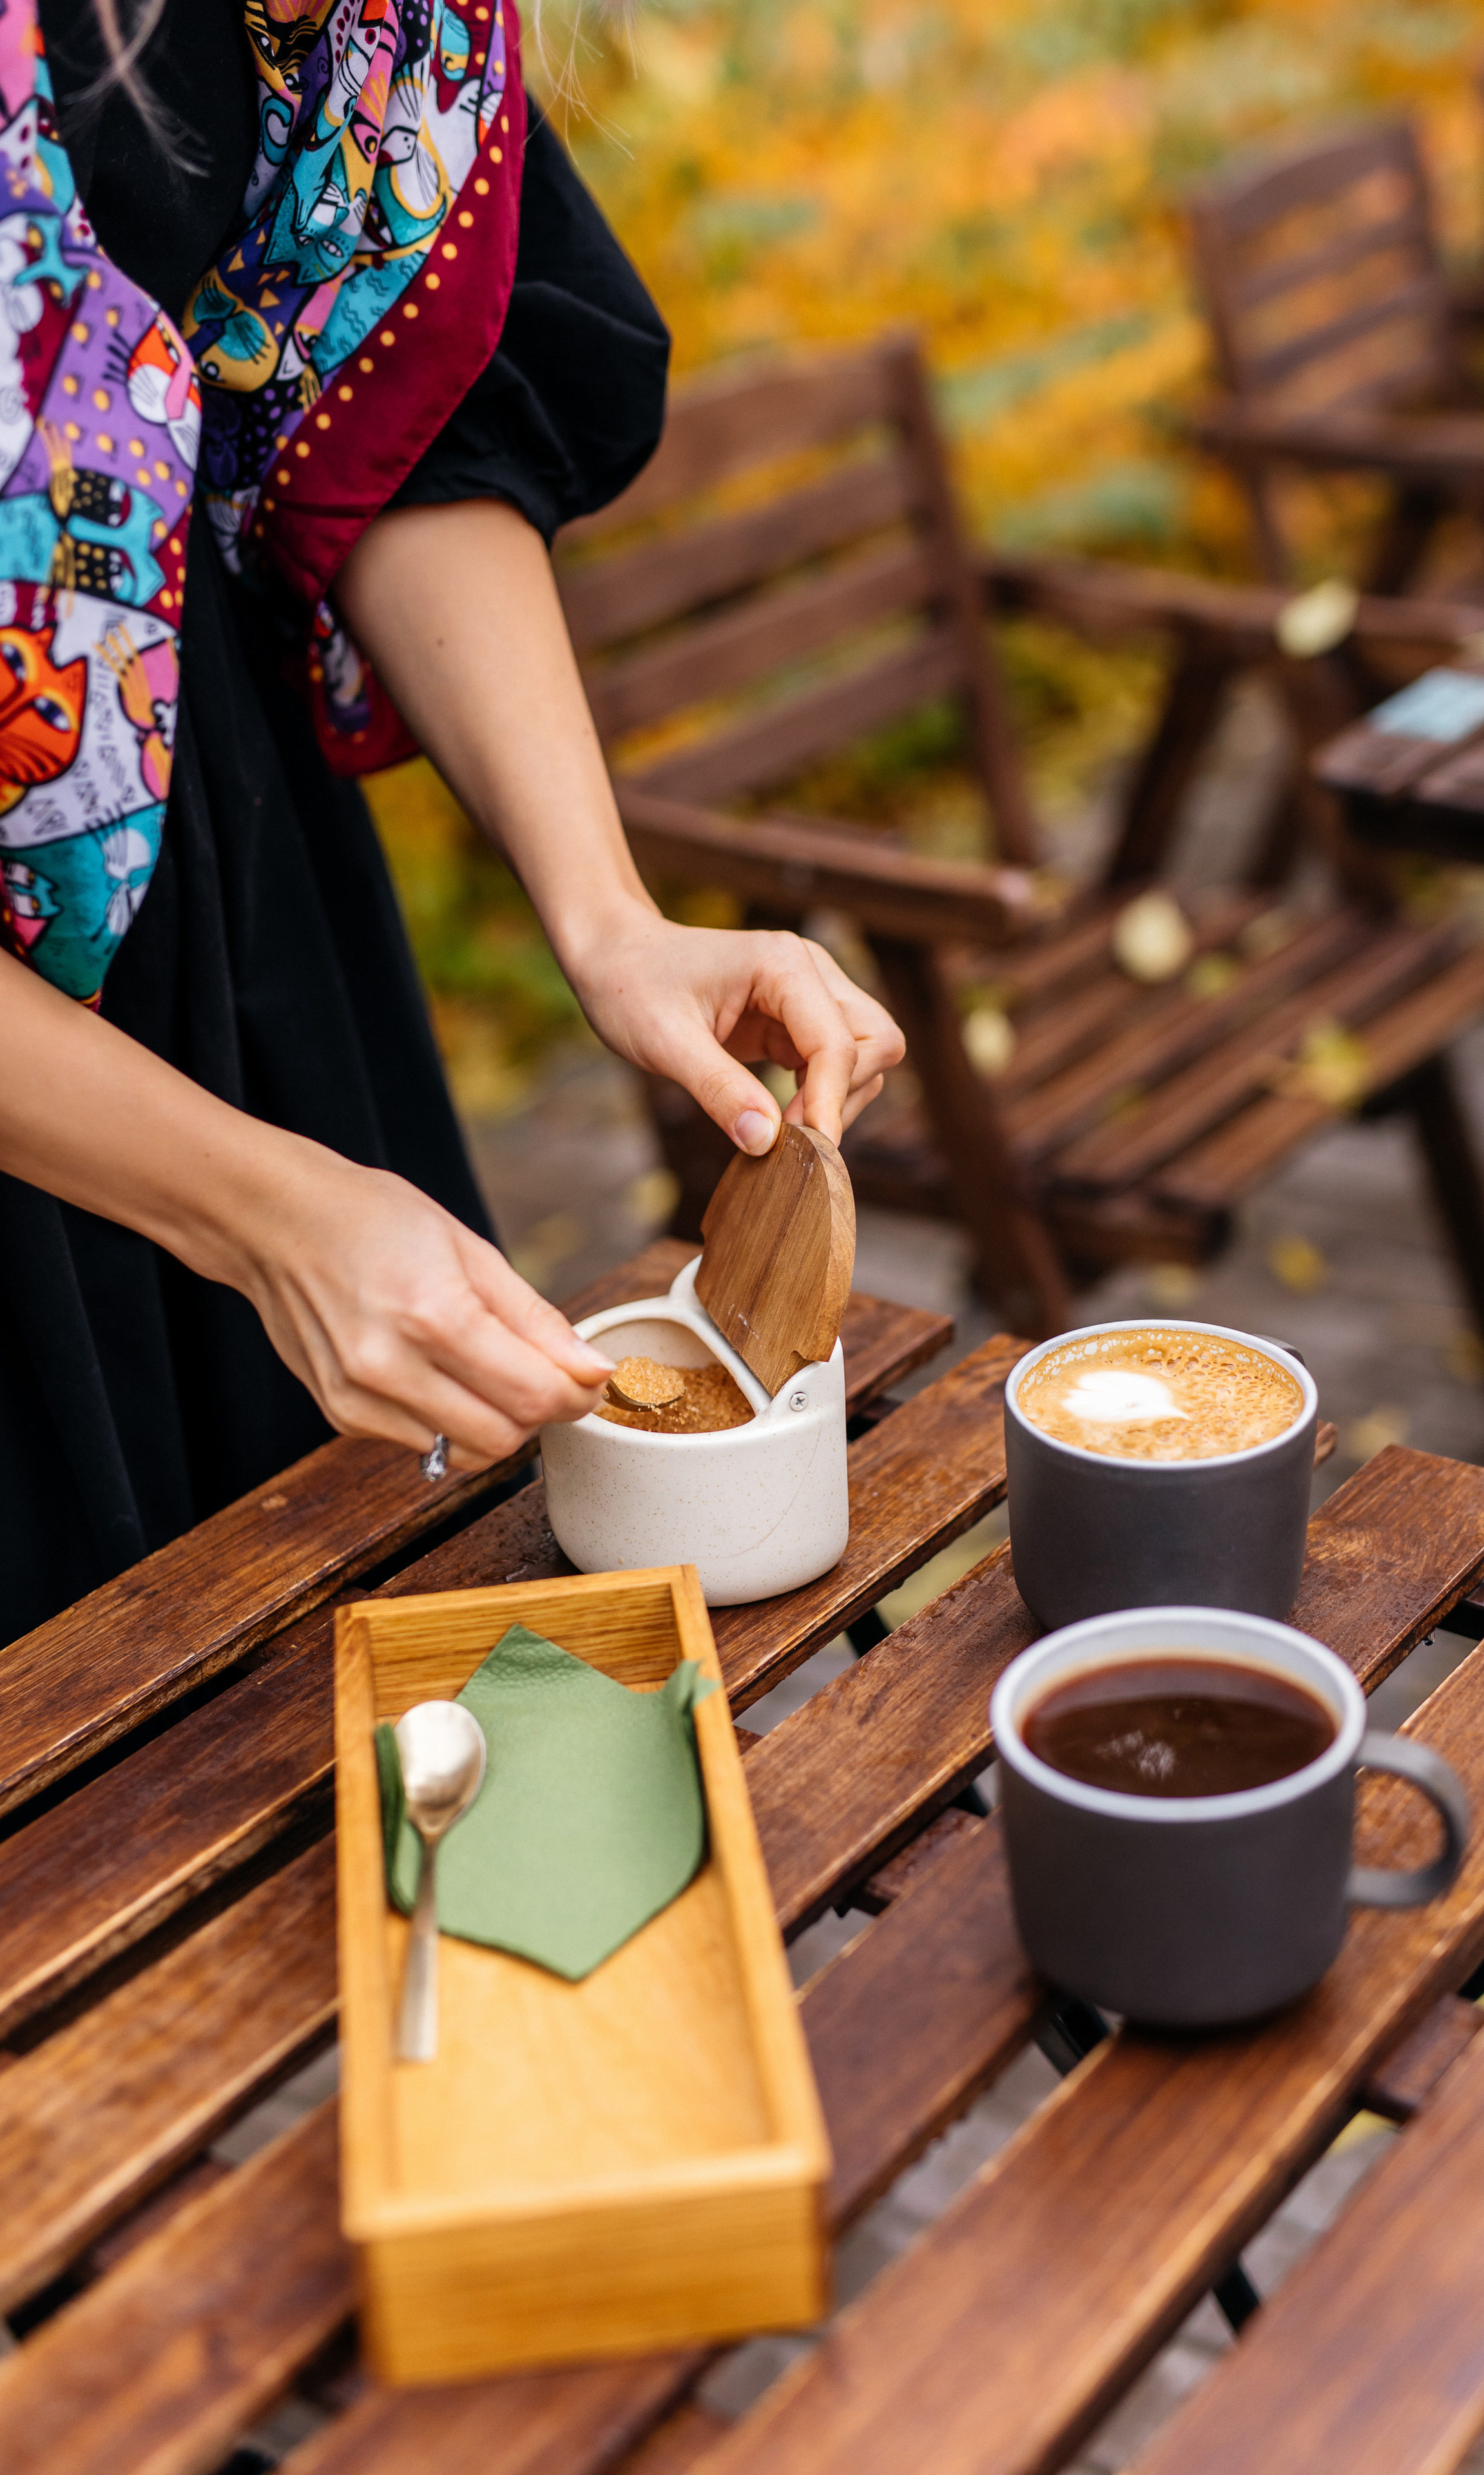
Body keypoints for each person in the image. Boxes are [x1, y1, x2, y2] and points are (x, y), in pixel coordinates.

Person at [0, 0, 903, 1639]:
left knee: (336, 1671)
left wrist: (608, 914)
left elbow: (378, 423)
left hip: (237, 909)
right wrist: (257, 1211)